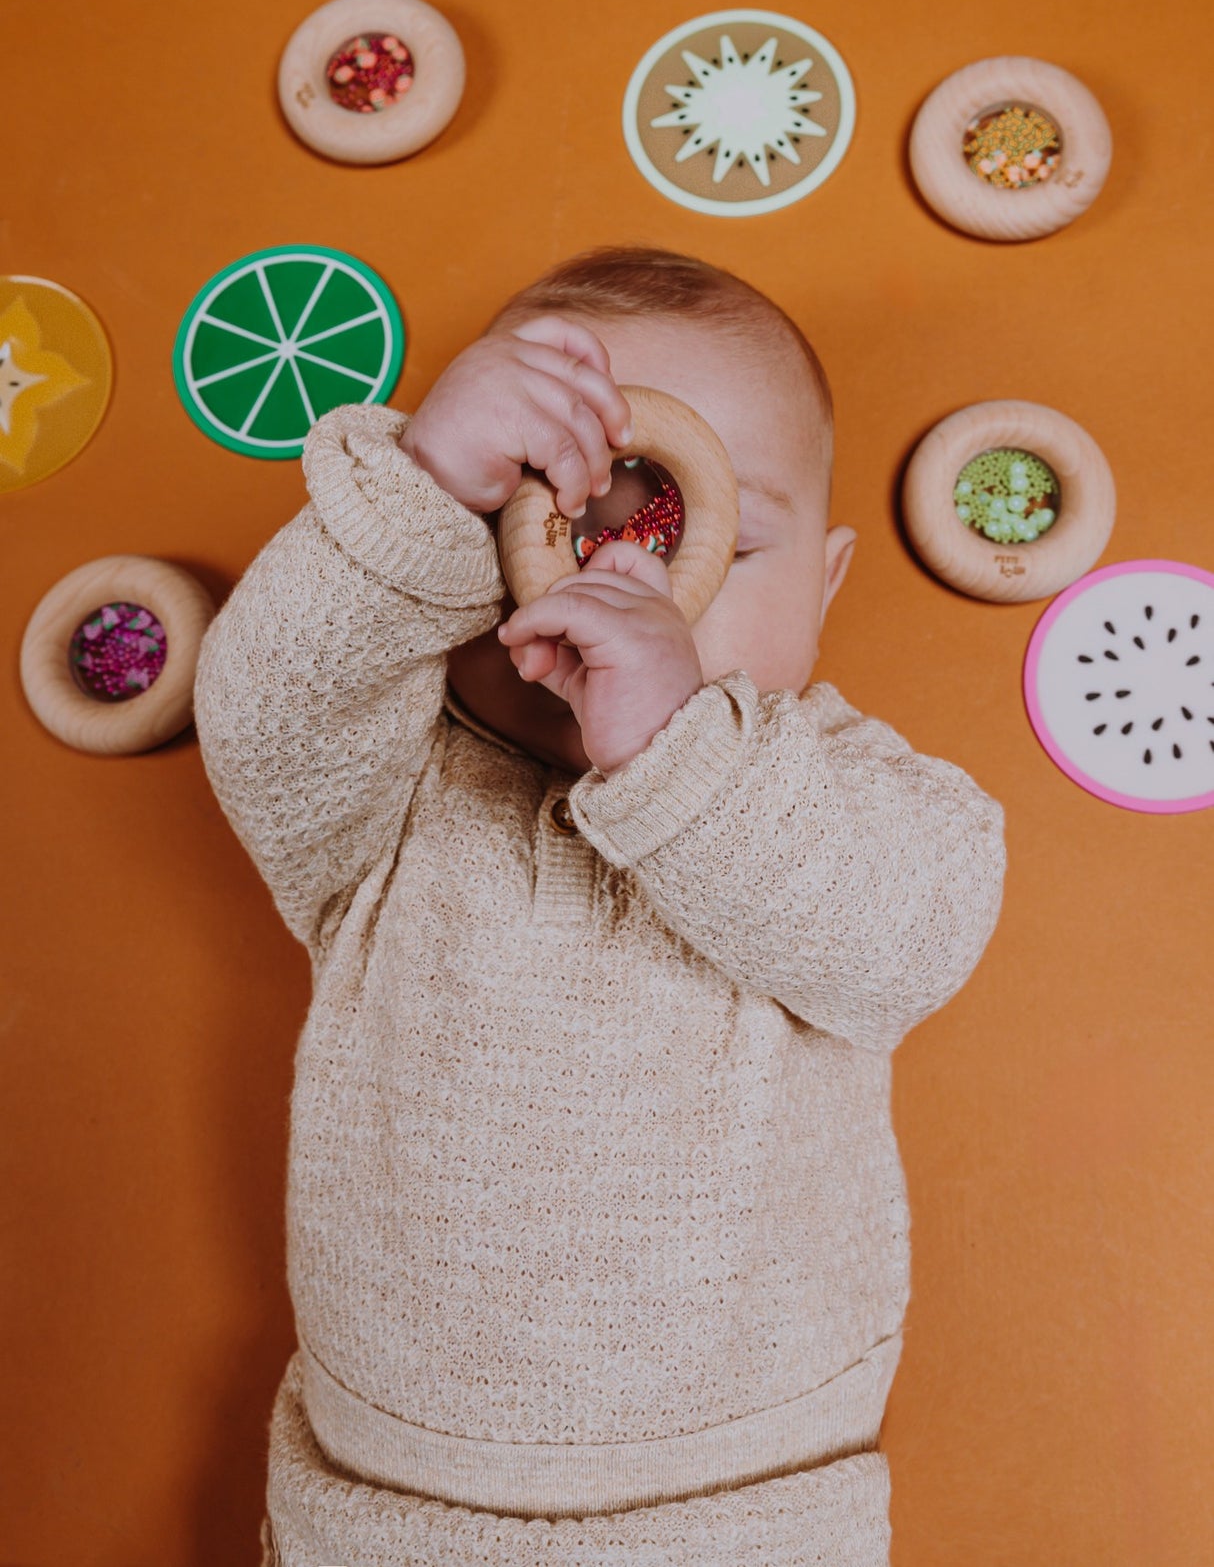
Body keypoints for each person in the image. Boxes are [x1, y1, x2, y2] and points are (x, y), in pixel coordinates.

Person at [193, 244, 1007, 1567]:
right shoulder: (389, 779)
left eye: (713, 543)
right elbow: (270, 717)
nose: (614, 579)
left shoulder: (840, 789)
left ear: (826, 583)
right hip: (391, 1502)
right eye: (550, 517)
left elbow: (909, 935)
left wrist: (685, 746)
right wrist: (416, 498)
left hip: (744, 1504)